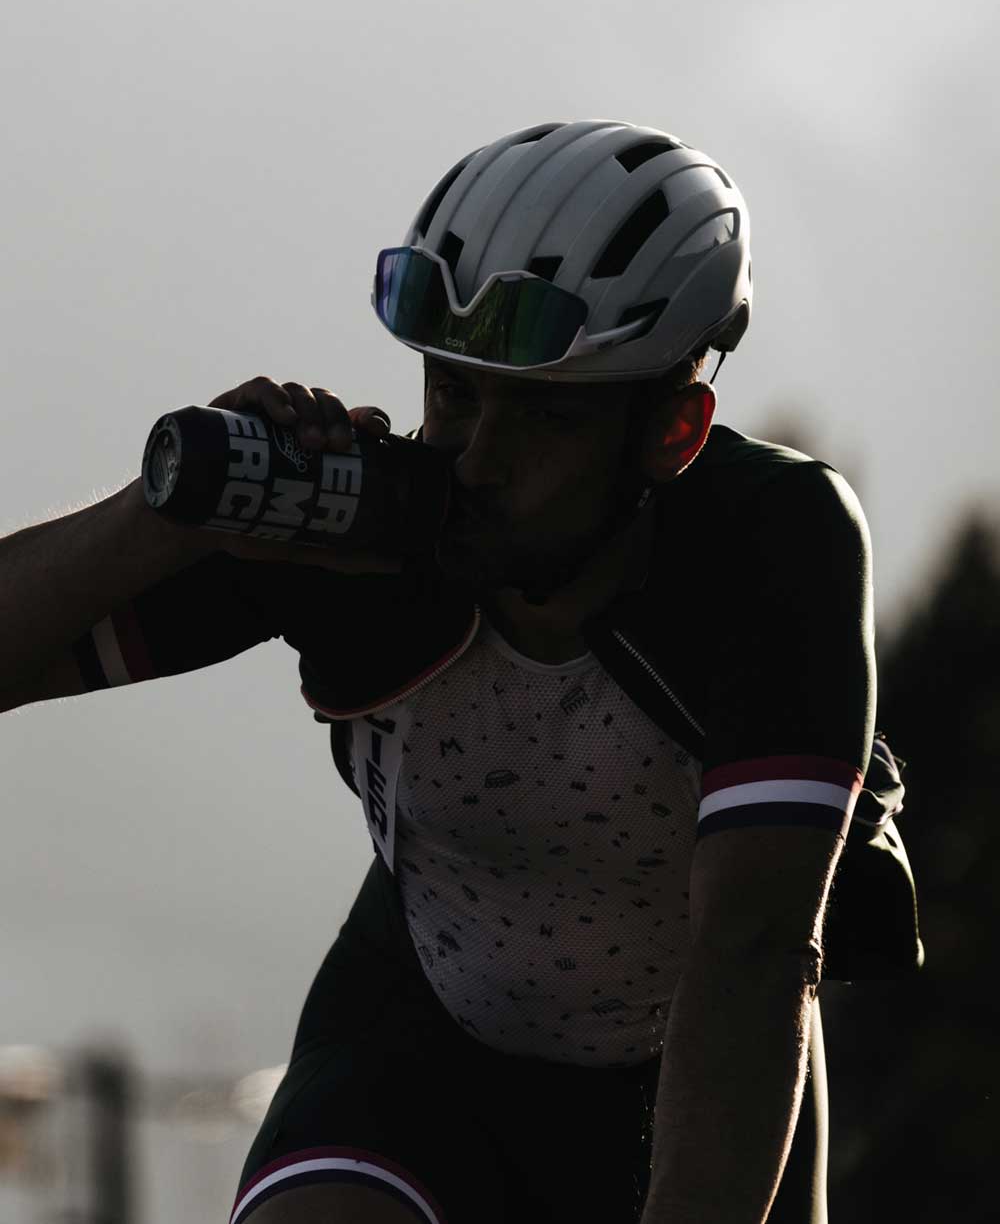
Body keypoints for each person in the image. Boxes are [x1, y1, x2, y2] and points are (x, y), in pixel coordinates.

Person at [1, 120, 874, 1224]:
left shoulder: (767, 546)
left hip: (694, 1062)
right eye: (455, 394)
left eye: (543, 415)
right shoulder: (367, 529)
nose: (477, 458)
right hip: (416, 1045)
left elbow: (751, 950)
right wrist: (166, 515)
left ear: (674, 430)